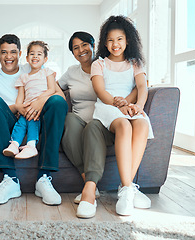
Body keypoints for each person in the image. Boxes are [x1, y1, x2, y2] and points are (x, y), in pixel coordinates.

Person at [58, 31, 148, 219]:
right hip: (90, 116)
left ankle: (126, 187)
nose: (81, 50)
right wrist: (54, 97)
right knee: (70, 121)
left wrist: (131, 104)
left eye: (84, 45)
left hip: (107, 119)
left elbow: (139, 86)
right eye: (76, 48)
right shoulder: (74, 72)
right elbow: (58, 86)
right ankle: (90, 185)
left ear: (93, 46)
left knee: (110, 126)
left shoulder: (112, 64)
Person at [0, 34, 68, 206]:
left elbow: (59, 95)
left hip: (38, 118)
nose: (9, 57)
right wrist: (20, 108)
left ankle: (44, 178)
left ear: (21, 54)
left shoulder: (31, 69)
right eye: (4, 52)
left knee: (58, 102)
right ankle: (10, 179)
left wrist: (38, 103)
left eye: (13, 52)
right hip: (10, 119)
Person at [91, 15, 154, 216]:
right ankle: (128, 189)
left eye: (119, 39)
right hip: (107, 107)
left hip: (130, 106)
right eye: (110, 40)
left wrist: (138, 106)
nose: (115, 44)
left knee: (142, 124)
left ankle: (126, 187)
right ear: (104, 43)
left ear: (127, 40)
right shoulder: (99, 63)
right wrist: (119, 106)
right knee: (125, 126)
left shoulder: (135, 62)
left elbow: (142, 86)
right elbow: (100, 91)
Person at [3, 41, 56, 159]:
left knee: (32, 117)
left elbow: (52, 89)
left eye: (39, 54)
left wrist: (39, 100)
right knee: (21, 121)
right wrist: (19, 108)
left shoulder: (47, 72)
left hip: (42, 107)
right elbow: (20, 97)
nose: (35, 56)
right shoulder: (23, 77)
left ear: (45, 59)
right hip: (28, 107)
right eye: (32, 54)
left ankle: (31, 145)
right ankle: (14, 144)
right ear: (27, 58)